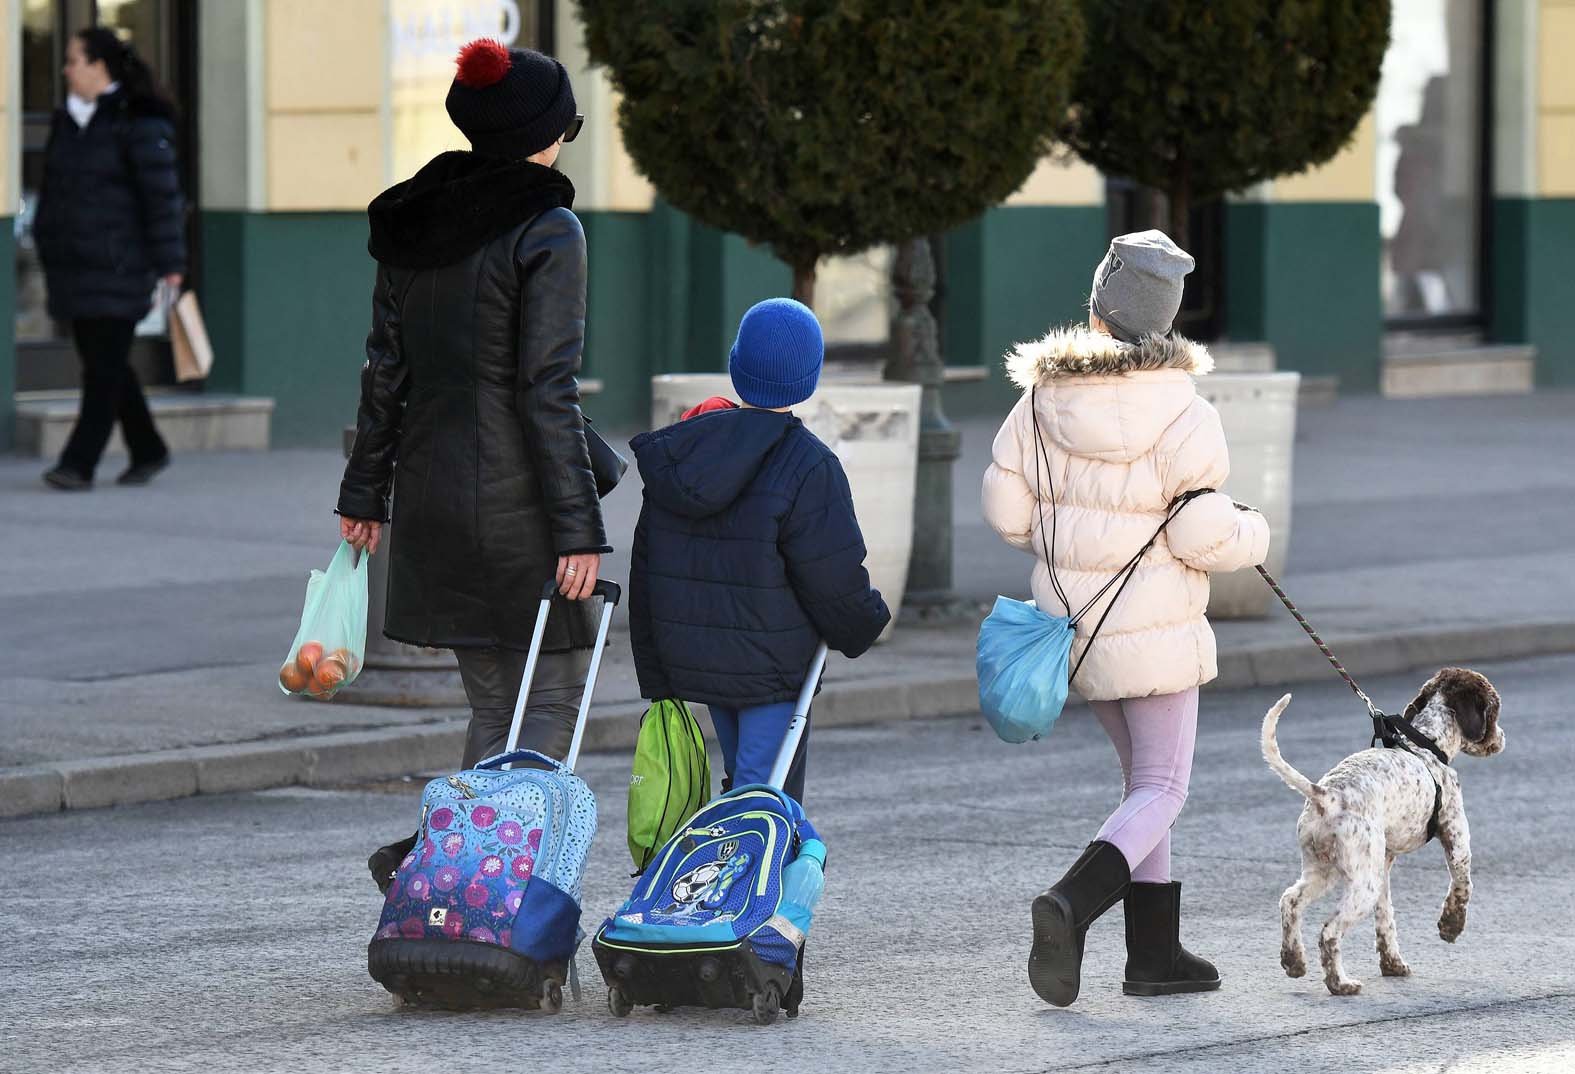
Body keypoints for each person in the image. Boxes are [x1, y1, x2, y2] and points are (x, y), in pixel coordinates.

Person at [337, 40, 608, 891]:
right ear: (546, 130)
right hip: (519, 506)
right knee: (553, 698)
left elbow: (385, 368)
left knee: (494, 704)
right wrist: (579, 527)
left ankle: (445, 876)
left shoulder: (413, 219)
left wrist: (364, 492)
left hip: (432, 496)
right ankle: (475, 881)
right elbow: (546, 390)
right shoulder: (549, 227)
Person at [981, 230, 1270, 1007]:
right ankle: (1071, 903)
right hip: (1155, 630)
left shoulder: (1040, 397)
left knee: (1143, 782)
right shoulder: (1184, 410)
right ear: (1166, 319)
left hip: (1072, 627)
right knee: (1165, 786)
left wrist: (1072, 538)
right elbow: (1198, 533)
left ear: (1099, 306)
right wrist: (1253, 530)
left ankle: (1153, 954)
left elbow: (1008, 512)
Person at [627, 298, 891, 804]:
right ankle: (753, 880)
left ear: (735, 364)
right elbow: (831, 574)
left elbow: (648, 565)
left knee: (744, 785)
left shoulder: (683, 452)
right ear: (809, 380)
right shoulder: (809, 464)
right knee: (762, 798)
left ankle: (749, 874)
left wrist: (658, 665)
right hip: (773, 665)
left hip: (701, 659)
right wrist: (864, 623)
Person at [34, 28, 184, 491]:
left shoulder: (137, 120)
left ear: (99, 66)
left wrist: (171, 263)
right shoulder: (69, 121)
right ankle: (148, 448)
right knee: (108, 363)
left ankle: (78, 463)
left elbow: (162, 199)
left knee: (101, 368)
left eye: (74, 60)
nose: (66, 69)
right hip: (73, 267)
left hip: (121, 266)